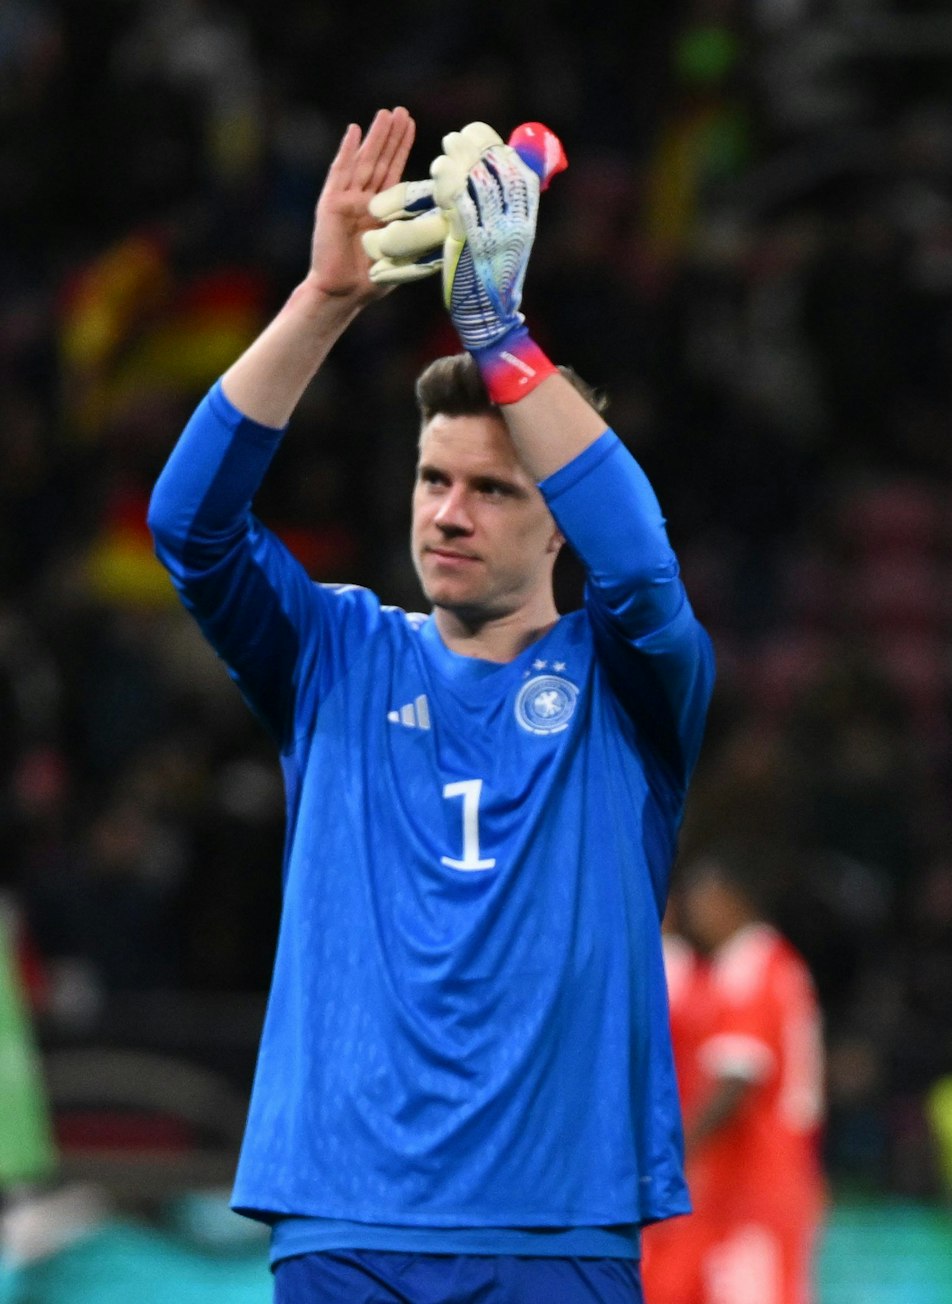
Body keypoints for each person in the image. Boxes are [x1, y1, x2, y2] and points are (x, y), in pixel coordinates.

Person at [148, 108, 714, 1303]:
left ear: (555, 511)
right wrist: (323, 299)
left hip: (554, 1225)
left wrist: (503, 339)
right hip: (345, 1214)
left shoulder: (631, 677)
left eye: (493, 489)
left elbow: (643, 568)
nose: (447, 512)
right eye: (432, 479)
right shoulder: (335, 651)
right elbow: (190, 526)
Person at [642, 851, 825, 1304]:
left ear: (731, 899)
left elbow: (736, 1084)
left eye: (702, 901)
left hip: (760, 1180)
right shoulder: (768, 963)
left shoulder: (751, 967)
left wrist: (672, 1152)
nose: (695, 915)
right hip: (754, 1179)